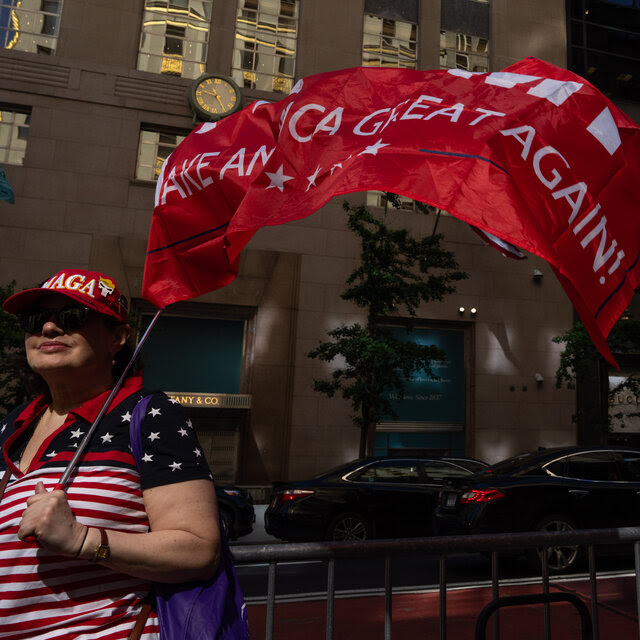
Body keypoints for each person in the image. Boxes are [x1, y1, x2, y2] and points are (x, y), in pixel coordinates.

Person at [0, 269, 220, 639]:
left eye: (71, 317)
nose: (49, 328)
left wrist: (84, 540)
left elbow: (199, 550)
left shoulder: (150, 415)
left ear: (116, 337)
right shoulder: (13, 425)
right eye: (36, 320)